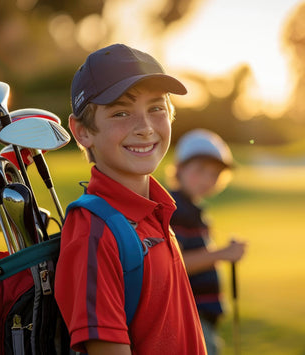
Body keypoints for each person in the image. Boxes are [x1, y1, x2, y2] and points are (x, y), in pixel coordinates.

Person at [54, 43, 207, 355]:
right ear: (82, 131)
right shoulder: (93, 233)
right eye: (121, 112)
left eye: (156, 108)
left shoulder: (159, 211)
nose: (145, 128)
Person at [168, 129, 247, 355]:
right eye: (200, 170)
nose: (206, 179)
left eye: (214, 174)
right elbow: (175, 262)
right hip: (188, 317)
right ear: (180, 168)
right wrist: (222, 254)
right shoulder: (176, 209)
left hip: (200, 317)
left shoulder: (193, 209)